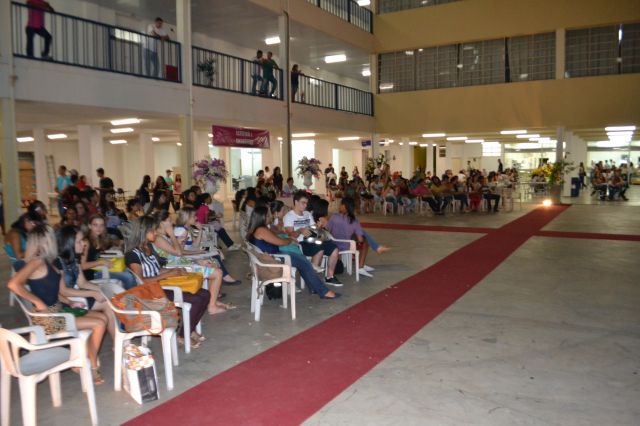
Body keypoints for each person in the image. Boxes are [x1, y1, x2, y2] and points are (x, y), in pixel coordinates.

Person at [8, 224, 108, 384]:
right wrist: (38, 302)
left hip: (59, 310)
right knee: (98, 324)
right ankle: (91, 365)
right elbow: (13, 284)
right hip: (48, 319)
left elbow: (58, 291)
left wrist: (70, 302)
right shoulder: (37, 261)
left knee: (102, 319)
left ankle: (83, 359)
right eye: (51, 237)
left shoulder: (50, 261)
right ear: (45, 241)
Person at [125, 216, 210, 349]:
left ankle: (189, 329)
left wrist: (174, 271)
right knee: (197, 300)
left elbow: (156, 270)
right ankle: (183, 335)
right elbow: (141, 281)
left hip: (160, 286)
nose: (156, 233)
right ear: (143, 232)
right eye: (153, 230)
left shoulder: (148, 247)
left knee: (205, 294)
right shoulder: (132, 254)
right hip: (150, 293)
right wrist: (169, 274)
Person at [247, 206, 339, 299]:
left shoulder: (256, 229)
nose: (271, 217)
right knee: (305, 263)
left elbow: (276, 238)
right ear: (263, 217)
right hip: (273, 258)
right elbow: (280, 242)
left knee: (303, 262)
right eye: (268, 215)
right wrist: (290, 240)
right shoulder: (261, 230)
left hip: (270, 256)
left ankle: (314, 288)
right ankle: (323, 291)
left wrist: (287, 238)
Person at [152, 211, 231, 316]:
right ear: (162, 223)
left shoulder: (163, 236)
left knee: (213, 266)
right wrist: (172, 235)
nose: (171, 222)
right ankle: (212, 307)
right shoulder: (158, 238)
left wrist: (180, 242)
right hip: (177, 267)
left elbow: (178, 251)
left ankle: (212, 301)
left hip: (181, 263)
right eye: (169, 220)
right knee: (218, 273)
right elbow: (178, 253)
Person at [55, 225, 116, 339]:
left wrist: (102, 290)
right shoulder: (58, 262)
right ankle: (118, 341)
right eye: (79, 241)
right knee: (108, 304)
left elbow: (82, 282)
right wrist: (93, 293)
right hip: (67, 300)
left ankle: (118, 339)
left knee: (110, 298)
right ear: (69, 243)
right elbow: (63, 291)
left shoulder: (75, 258)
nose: (83, 244)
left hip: (76, 294)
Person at [284, 191, 342, 287]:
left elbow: (314, 228)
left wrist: (318, 226)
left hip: (312, 240)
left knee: (334, 249)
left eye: (306, 203)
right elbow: (290, 235)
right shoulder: (289, 216)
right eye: (303, 203)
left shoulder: (307, 214)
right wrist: (300, 230)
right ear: (296, 202)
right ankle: (313, 281)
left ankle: (329, 276)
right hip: (300, 243)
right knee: (319, 248)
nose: (305, 205)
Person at [80, 214, 137, 289]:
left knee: (130, 271)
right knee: (128, 277)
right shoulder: (86, 242)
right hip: (91, 274)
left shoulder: (99, 238)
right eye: (95, 225)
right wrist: (101, 262)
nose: (99, 228)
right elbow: (82, 266)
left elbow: (111, 243)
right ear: (89, 226)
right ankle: (131, 295)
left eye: (101, 225)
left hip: (100, 268)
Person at [327, 197, 373, 278]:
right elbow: (360, 240)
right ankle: (360, 266)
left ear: (344, 206)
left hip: (333, 245)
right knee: (365, 243)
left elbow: (328, 230)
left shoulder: (334, 217)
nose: (339, 206)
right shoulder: (354, 221)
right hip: (346, 246)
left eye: (341, 204)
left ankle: (359, 263)